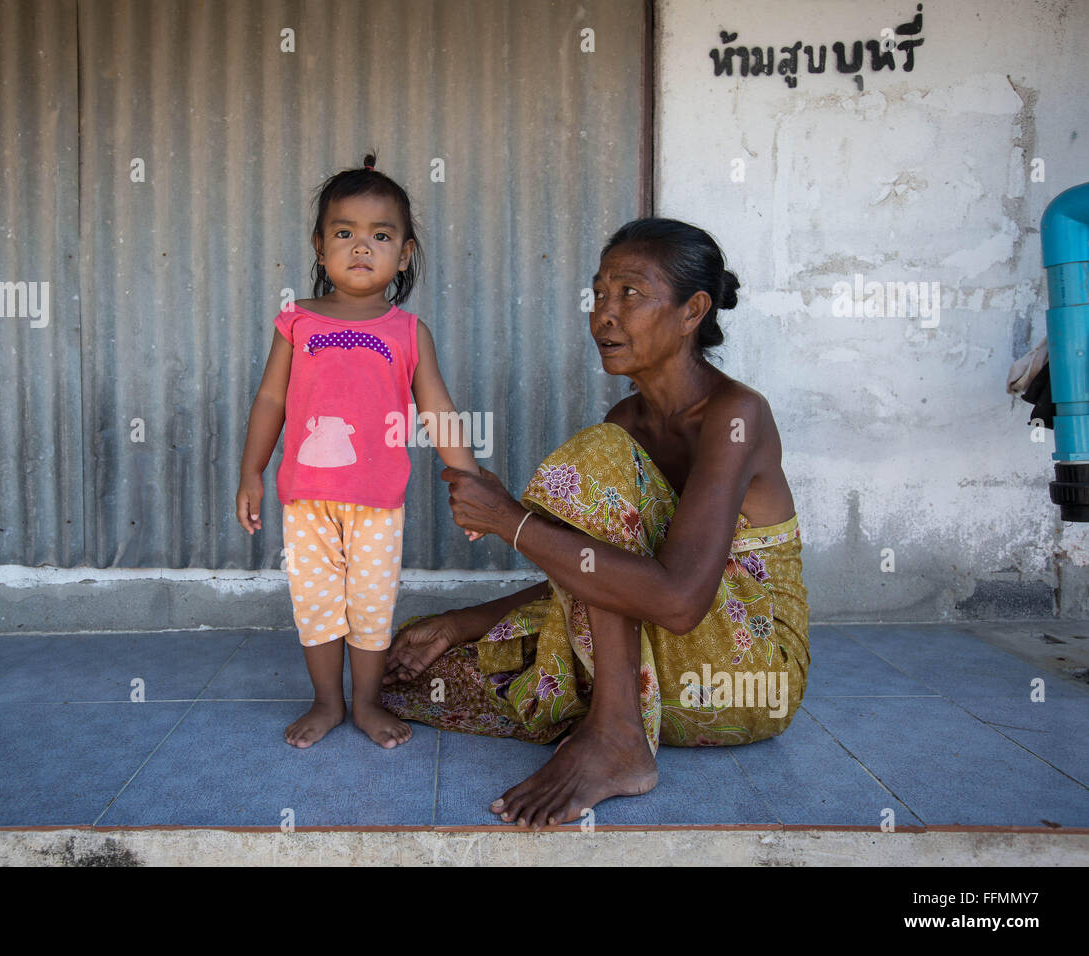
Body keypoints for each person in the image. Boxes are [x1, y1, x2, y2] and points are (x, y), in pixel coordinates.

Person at [380, 218, 810, 828]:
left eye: (630, 294)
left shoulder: (737, 415)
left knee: (598, 455)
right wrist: (461, 623)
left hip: (744, 680)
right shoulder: (628, 419)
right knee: (403, 677)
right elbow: (610, 579)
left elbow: (680, 600)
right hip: (666, 679)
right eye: (599, 294)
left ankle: (615, 738)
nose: (605, 314)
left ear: (693, 311)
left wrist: (510, 521)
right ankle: (613, 716)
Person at [236, 154, 481, 750]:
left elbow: (439, 412)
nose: (361, 246)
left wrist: (470, 482)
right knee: (317, 603)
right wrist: (251, 471)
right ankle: (327, 702)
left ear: (405, 251)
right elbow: (271, 399)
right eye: (344, 233)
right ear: (320, 247)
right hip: (305, 499)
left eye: (380, 235)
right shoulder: (295, 321)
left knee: (371, 606)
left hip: (377, 502)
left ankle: (368, 703)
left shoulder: (407, 331)